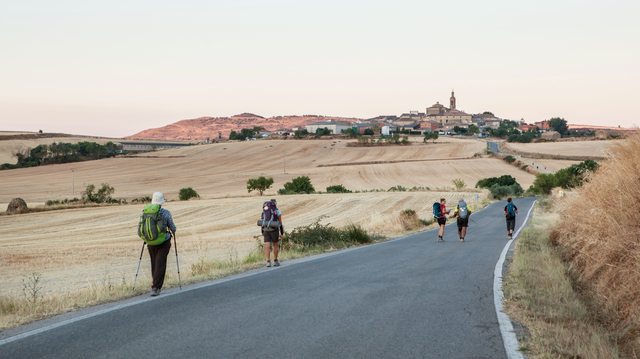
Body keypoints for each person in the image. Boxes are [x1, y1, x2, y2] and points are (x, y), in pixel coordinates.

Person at [144, 192, 177, 296]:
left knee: (154, 263)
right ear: (162, 201)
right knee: (160, 264)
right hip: (163, 242)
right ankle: (156, 287)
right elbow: (173, 227)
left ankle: (155, 285)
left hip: (150, 242)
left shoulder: (145, 212)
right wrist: (173, 230)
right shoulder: (166, 213)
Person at [261, 199, 284, 267]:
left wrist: (262, 231)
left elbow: (263, 222)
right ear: (275, 204)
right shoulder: (277, 211)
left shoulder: (264, 211)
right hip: (274, 230)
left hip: (266, 229)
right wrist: (282, 233)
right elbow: (280, 223)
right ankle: (275, 261)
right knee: (275, 245)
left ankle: (268, 262)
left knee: (267, 245)